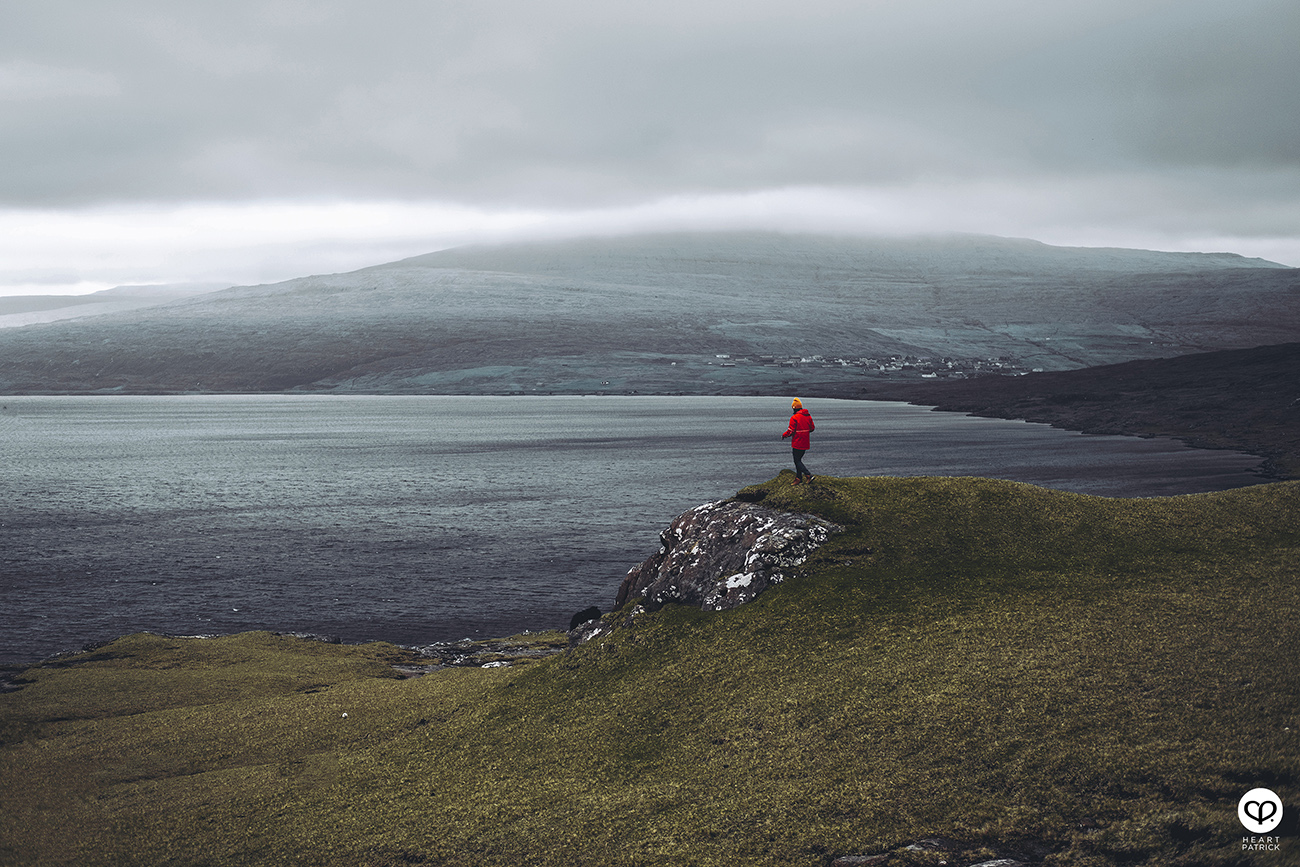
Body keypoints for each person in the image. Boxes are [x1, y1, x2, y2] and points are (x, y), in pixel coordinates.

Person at [781, 398, 815, 484]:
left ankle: (808, 475)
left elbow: (790, 431)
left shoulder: (794, 417)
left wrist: (784, 435)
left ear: (794, 408)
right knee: (798, 460)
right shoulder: (808, 416)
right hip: (805, 442)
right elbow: (812, 428)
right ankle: (798, 478)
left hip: (797, 442)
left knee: (797, 461)